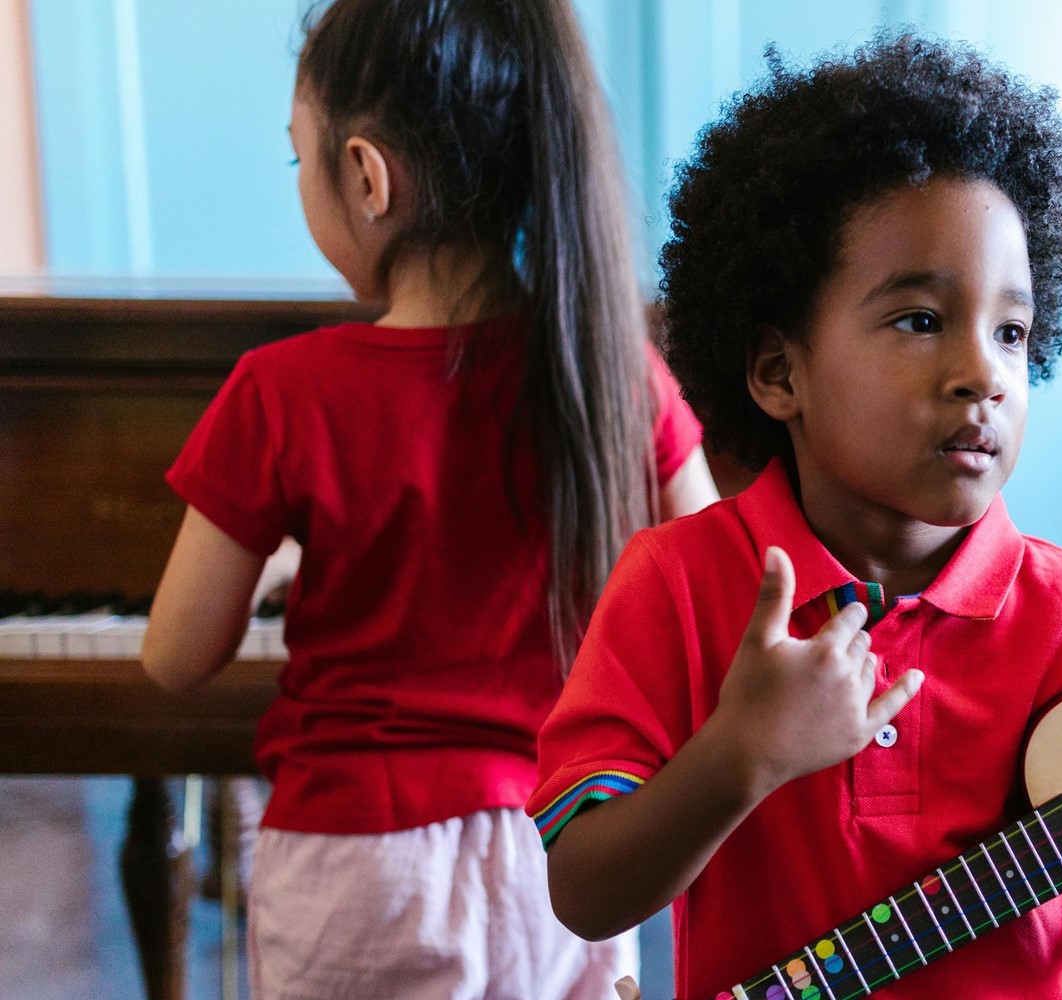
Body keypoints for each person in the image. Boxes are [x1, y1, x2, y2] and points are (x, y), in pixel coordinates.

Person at [529, 35, 1062, 1000]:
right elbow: (585, 893)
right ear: (777, 371)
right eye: (922, 319)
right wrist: (739, 754)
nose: (984, 375)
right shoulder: (676, 582)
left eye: (1011, 331)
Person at [141, 1, 715, 996]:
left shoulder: (281, 391)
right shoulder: (617, 374)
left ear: (367, 177)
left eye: (300, 163)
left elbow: (176, 656)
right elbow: (719, 592)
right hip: (566, 854)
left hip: (355, 863)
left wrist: (291, 560)